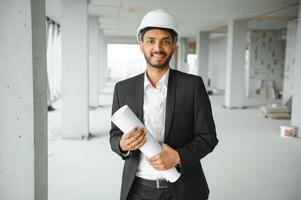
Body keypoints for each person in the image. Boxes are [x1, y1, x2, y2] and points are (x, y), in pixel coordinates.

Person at [109, 9, 218, 200]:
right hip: (138, 189)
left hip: (183, 187)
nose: (157, 48)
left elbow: (208, 138)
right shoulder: (122, 89)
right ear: (141, 44)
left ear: (174, 45)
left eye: (165, 41)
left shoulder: (192, 86)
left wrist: (177, 156)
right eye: (151, 40)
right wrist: (122, 144)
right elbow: (114, 136)